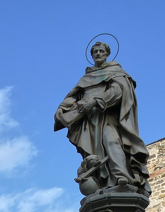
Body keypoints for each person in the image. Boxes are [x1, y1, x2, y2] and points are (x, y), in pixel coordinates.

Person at [55, 41, 149, 193]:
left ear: (107, 54)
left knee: (112, 142)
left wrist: (95, 101)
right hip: (88, 121)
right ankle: (100, 183)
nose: (98, 54)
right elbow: (73, 97)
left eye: (101, 51)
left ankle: (121, 178)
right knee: (92, 154)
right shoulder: (86, 77)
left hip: (107, 117)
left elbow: (119, 90)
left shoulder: (116, 71)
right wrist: (62, 109)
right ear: (91, 55)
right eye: (95, 52)